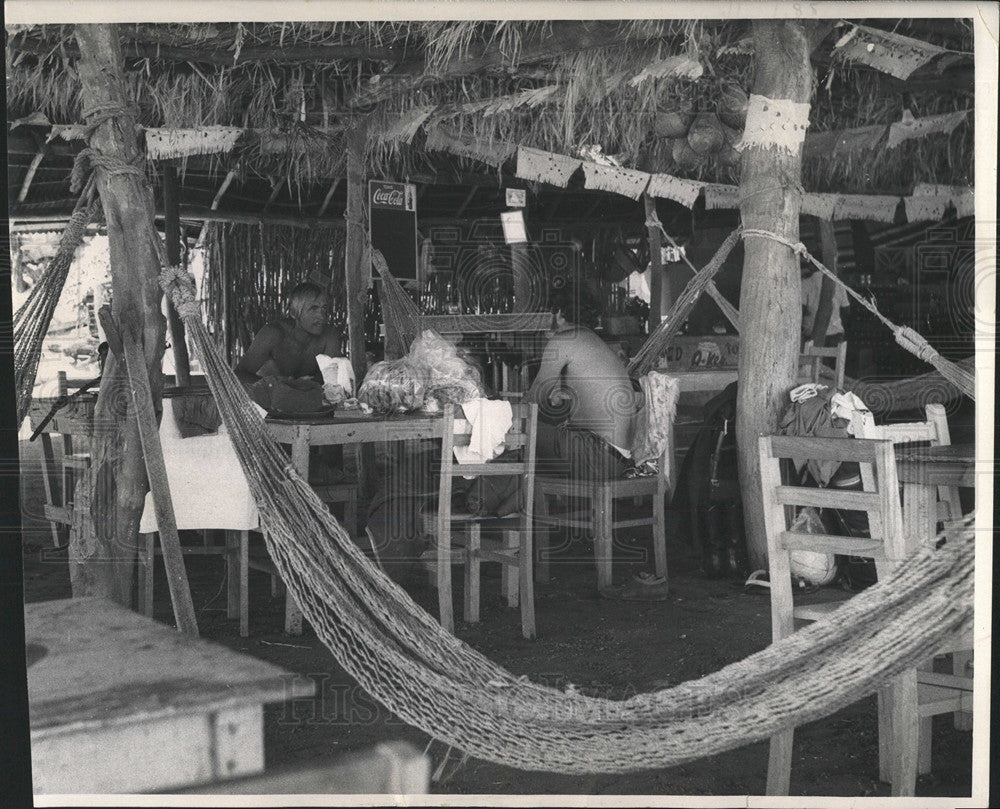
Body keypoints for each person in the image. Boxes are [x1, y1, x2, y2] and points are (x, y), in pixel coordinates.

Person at [526, 283, 639, 484]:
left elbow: (534, 400)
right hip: (619, 460)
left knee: (518, 430)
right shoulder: (594, 340)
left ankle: (490, 499)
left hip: (596, 457)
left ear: (559, 313)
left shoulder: (563, 340)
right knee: (530, 440)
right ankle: (507, 502)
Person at [236, 282, 343, 385]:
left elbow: (333, 380)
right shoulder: (273, 334)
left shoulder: (329, 336)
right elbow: (239, 375)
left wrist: (299, 386)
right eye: (313, 308)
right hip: (269, 398)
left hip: (308, 398)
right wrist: (280, 385)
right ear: (294, 312)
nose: (322, 316)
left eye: (324, 308)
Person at [801, 262, 849, 345]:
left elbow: (801, 310)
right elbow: (846, 309)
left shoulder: (805, 283)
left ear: (811, 266)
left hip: (812, 334)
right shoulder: (838, 283)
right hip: (835, 333)